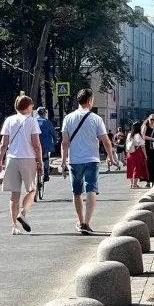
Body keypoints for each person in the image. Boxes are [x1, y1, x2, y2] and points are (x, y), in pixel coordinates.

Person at [60, 89, 115, 235]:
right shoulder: (96, 118)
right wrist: (111, 157)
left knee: (77, 192)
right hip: (92, 159)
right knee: (91, 189)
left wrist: (63, 161)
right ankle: (87, 222)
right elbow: (106, 140)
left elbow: (64, 143)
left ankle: (80, 220)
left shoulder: (68, 118)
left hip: (74, 160)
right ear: (90, 100)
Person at [0, 95, 43, 235]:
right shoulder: (32, 121)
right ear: (28, 107)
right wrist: (39, 161)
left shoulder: (9, 120)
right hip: (28, 158)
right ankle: (23, 213)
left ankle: (14, 226)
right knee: (32, 190)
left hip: (11, 159)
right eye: (31, 106)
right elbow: (36, 144)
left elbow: (3, 144)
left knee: (14, 193)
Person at [36, 107, 58, 183]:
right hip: (45, 145)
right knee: (45, 158)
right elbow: (53, 133)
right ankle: (46, 175)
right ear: (44, 114)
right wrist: (55, 141)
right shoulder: (47, 122)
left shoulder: (33, 121)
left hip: (34, 145)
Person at [125, 121, 148, 188]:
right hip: (137, 153)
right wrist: (145, 155)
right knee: (137, 168)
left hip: (130, 153)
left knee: (130, 168)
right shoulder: (138, 135)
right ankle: (135, 184)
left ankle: (131, 183)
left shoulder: (129, 134)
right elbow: (142, 146)